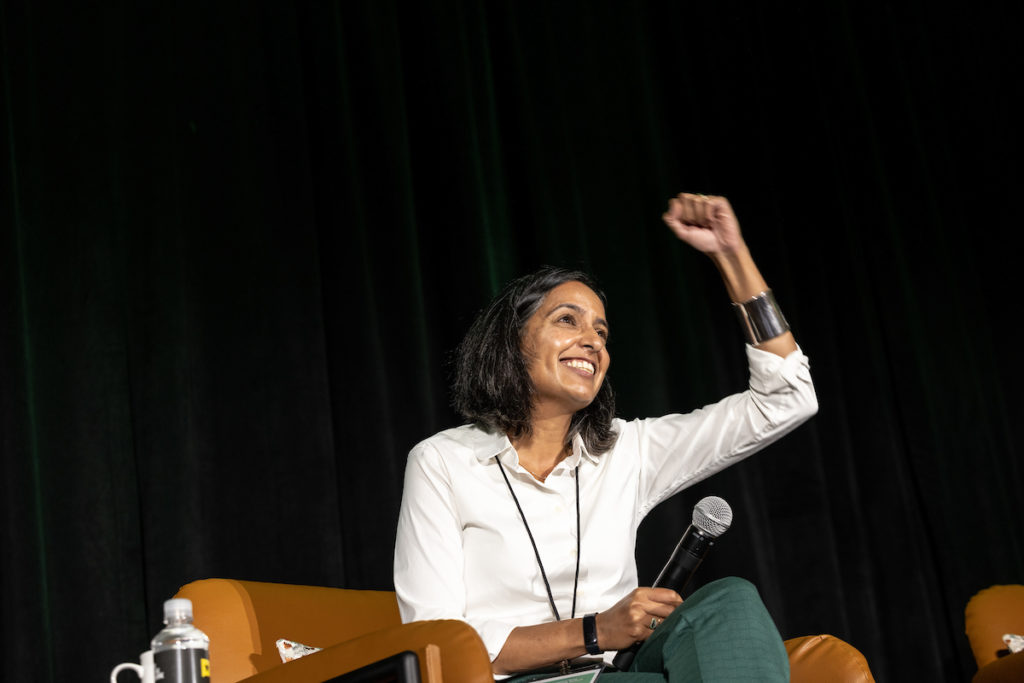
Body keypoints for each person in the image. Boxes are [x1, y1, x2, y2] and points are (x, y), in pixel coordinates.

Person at [394, 193, 818, 681]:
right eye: (566, 320)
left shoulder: (626, 450)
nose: (593, 340)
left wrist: (731, 255)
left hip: (620, 675)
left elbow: (786, 400)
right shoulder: (442, 462)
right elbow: (437, 643)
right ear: (511, 342)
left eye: (601, 331)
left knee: (730, 599)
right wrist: (595, 631)